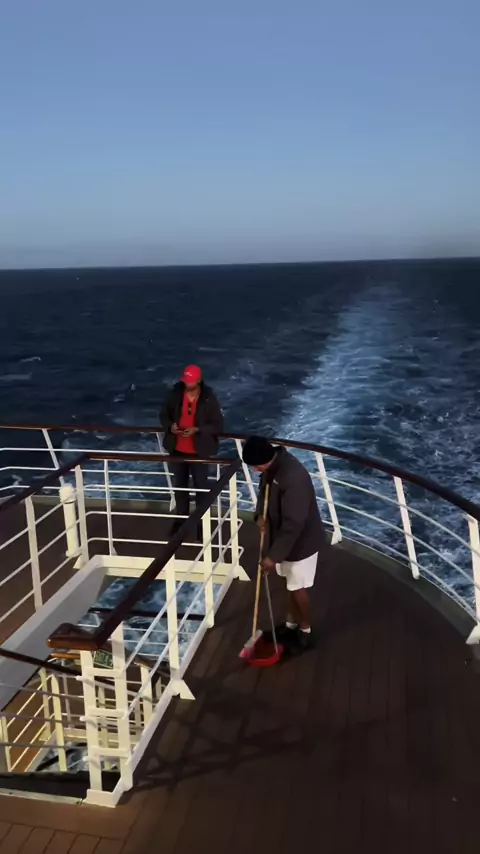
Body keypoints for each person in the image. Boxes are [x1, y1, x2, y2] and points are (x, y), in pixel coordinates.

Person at [242, 435, 328, 652]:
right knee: (289, 583)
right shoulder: (271, 469)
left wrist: (273, 557)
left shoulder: (293, 477)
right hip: (282, 540)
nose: (254, 470)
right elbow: (263, 494)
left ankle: (306, 630)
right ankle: (291, 625)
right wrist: (259, 515)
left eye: (255, 466)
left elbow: (294, 524)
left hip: (301, 543)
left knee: (298, 587)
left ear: (264, 459)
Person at [161, 365, 224, 534]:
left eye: (190, 381)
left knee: (201, 488)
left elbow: (218, 425)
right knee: (180, 487)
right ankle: (180, 521)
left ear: (198, 381)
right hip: (177, 449)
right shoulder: (175, 394)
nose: (188, 384)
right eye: (186, 381)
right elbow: (163, 415)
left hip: (199, 451)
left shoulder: (209, 398)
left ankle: (201, 524)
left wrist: (197, 429)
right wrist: (170, 426)